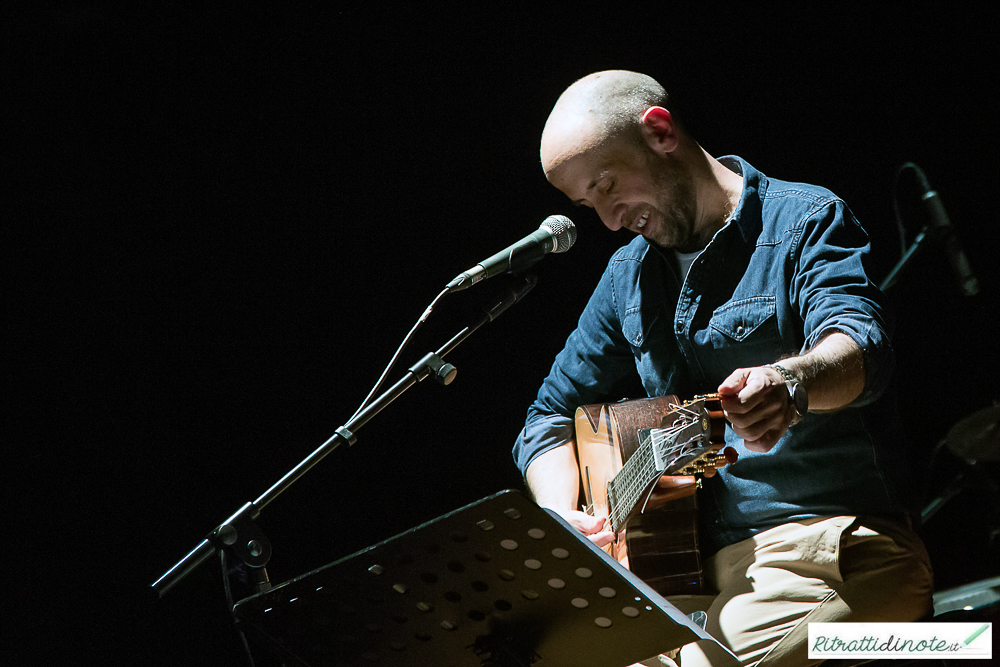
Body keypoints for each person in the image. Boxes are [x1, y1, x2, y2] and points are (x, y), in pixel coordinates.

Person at [514, 70, 933, 667]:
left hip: (837, 552)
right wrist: (566, 520)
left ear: (660, 133)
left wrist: (794, 383)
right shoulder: (626, 277)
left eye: (608, 186)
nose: (608, 219)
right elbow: (546, 418)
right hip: (689, 581)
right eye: (588, 205)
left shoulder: (804, 220)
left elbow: (863, 347)